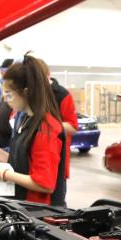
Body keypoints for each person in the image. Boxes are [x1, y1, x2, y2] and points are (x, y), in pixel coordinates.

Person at [0, 56, 65, 204]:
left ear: (26, 92)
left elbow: (44, 184)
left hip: (40, 213)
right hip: (22, 207)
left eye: (9, 95)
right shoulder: (25, 120)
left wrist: (4, 174)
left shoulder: (46, 129)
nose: (5, 100)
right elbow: (18, 163)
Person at [39, 60, 77, 207]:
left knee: (56, 206)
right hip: (37, 160)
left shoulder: (62, 95)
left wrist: (48, 124)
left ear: (48, 76)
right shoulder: (31, 94)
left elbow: (73, 127)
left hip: (57, 159)